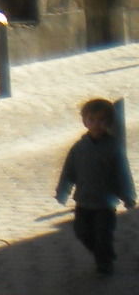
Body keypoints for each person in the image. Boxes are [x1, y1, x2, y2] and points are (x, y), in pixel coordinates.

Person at [57, 98, 135, 276]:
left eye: (101, 120)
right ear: (85, 121)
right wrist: (63, 191)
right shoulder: (79, 148)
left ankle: (104, 263)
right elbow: (69, 171)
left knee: (103, 235)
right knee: (81, 232)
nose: (96, 124)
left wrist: (128, 196)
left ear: (109, 122)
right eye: (91, 119)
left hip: (105, 203)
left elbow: (122, 174)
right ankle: (104, 254)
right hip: (83, 200)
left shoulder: (113, 148)